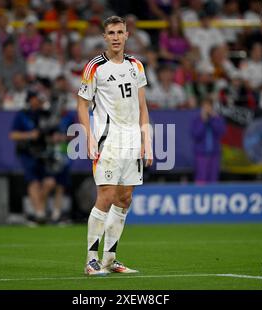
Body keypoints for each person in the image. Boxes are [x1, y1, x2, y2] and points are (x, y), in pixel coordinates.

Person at [77, 16, 153, 275]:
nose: (116, 37)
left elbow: (142, 106)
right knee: (106, 197)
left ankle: (110, 259)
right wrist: (87, 135)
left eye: (120, 32)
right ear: (105, 37)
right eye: (111, 32)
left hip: (132, 142)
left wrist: (147, 141)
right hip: (107, 141)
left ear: (127, 35)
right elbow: (81, 103)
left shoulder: (136, 66)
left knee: (124, 198)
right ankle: (90, 260)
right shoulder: (94, 67)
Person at [10, 90, 58, 225]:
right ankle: (39, 213)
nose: (39, 101)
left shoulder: (46, 114)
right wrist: (30, 135)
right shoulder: (23, 115)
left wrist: (52, 137)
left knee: (50, 182)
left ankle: (37, 209)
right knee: (34, 182)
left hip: (44, 152)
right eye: (36, 98)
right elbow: (13, 135)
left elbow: (52, 132)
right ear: (30, 100)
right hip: (27, 152)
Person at [191, 97, 226, 184]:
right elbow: (196, 135)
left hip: (215, 153)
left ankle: (212, 195)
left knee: (213, 178)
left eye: (209, 106)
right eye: (205, 106)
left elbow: (221, 131)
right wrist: (203, 121)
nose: (207, 108)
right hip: (201, 153)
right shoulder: (197, 120)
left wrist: (214, 119)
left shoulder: (217, 119)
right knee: (201, 178)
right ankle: (200, 195)